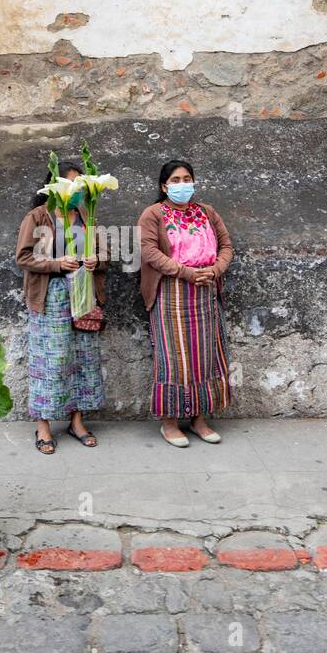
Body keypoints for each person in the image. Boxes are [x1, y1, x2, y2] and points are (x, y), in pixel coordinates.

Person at [137, 159, 233, 448]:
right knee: (174, 357)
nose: (182, 184)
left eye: (186, 178)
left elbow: (226, 246)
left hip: (205, 292)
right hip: (170, 292)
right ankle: (170, 422)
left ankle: (200, 419)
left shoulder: (207, 212)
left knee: (205, 355)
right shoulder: (152, 214)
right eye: (175, 180)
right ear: (164, 186)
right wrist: (187, 273)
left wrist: (215, 270)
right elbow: (149, 251)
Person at [15, 159, 107, 454]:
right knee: (50, 361)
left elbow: (103, 252)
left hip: (82, 295)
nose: (76, 189)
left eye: (80, 184)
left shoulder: (84, 214)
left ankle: (76, 421)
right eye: (70, 183)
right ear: (55, 186)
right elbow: (23, 257)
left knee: (83, 359)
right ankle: (43, 425)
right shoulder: (38, 217)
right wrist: (56, 264)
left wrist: (96, 259)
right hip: (51, 297)